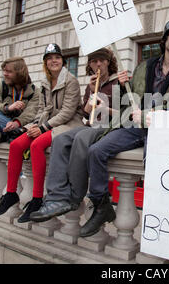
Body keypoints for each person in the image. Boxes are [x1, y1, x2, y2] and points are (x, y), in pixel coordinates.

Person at [79, 19, 169, 237]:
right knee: (96, 151)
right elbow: (128, 103)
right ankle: (101, 205)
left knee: (156, 171)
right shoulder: (146, 65)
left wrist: (148, 115)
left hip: (164, 129)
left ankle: (165, 226)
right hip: (135, 127)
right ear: (165, 40)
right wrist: (125, 86)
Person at [0, 43, 84, 223]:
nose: (53, 61)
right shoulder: (45, 82)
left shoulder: (71, 81)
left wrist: (42, 129)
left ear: (62, 60)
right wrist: (33, 126)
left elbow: (67, 113)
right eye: (49, 58)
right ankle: (11, 193)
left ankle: (36, 199)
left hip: (69, 124)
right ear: (45, 62)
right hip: (49, 124)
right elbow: (42, 109)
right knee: (17, 144)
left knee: (37, 144)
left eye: (57, 57)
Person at [29, 48, 120, 222]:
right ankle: (56, 196)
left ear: (108, 62)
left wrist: (104, 107)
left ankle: (74, 196)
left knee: (80, 139)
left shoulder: (117, 83)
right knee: (60, 139)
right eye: (94, 61)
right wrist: (92, 93)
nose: (98, 64)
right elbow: (86, 114)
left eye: (101, 60)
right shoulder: (92, 84)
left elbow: (124, 115)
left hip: (109, 127)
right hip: (92, 126)